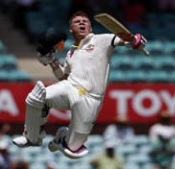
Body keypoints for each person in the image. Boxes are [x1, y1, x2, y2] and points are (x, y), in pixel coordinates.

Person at [12, 10, 148, 159]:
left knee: (73, 150)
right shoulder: (71, 52)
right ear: (71, 29)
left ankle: (62, 138)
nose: (82, 22)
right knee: (36, 97)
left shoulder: (102, 40)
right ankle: (32, 138)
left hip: (91, 98)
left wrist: (136, 40)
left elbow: (123, 40)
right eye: (77, 21)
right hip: (71, 87)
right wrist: (53, 62)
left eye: (85, 21)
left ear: (90, 28)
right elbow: (64, 77)